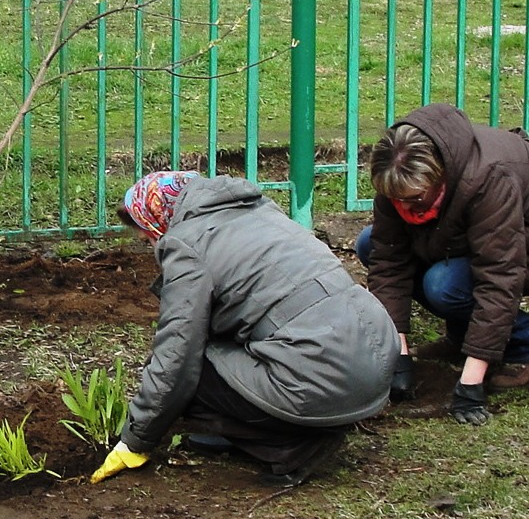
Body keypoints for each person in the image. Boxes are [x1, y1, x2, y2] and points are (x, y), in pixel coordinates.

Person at [91, 172, 398, 487]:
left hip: (321, 370)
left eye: (147, 236)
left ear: (158, 219)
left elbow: (176, 358)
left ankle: (292, 445)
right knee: (214, 341)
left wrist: (135, 440)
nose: (151, 244)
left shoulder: (186, 243)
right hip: (376, 355)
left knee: (189, 369)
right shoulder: (261, 210)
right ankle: (285, 428)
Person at [358, 103, 529, 425]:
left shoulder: (490, 177)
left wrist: (471, 382)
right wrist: (399, 353)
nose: (402, 207)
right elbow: (388, 260)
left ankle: (521, 345)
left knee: (444, 285)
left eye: (414, 199)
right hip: (461, 236)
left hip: (516, 246)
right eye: (395, 199)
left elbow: (500, 276)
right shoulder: (396, 173)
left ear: (440, 178)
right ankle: (462, 337)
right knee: (369, 242)